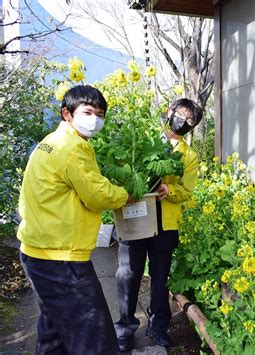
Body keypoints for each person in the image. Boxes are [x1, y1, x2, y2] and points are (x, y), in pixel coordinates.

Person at [17, 85, 130, 355]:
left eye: (100, 114)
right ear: (67, 114)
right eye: (88, 112)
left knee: (54, 332)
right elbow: (97, 194)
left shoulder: (48, 143)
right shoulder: (73, 147)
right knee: (95, 338)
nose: (95, 119)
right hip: (61, 259)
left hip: (36, 252)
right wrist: (126, 194)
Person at [114, 98, 203, 352]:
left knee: (160, 277)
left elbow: (186, 190)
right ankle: (125, 328)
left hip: (166, 220)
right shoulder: (143, 138)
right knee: (128, 273)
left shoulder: (189, 156)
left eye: (189, 121)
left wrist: (169, 189)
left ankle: (158, 326)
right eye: (181, 115)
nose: (183, 123)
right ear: (169, 112)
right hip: (136, 215)